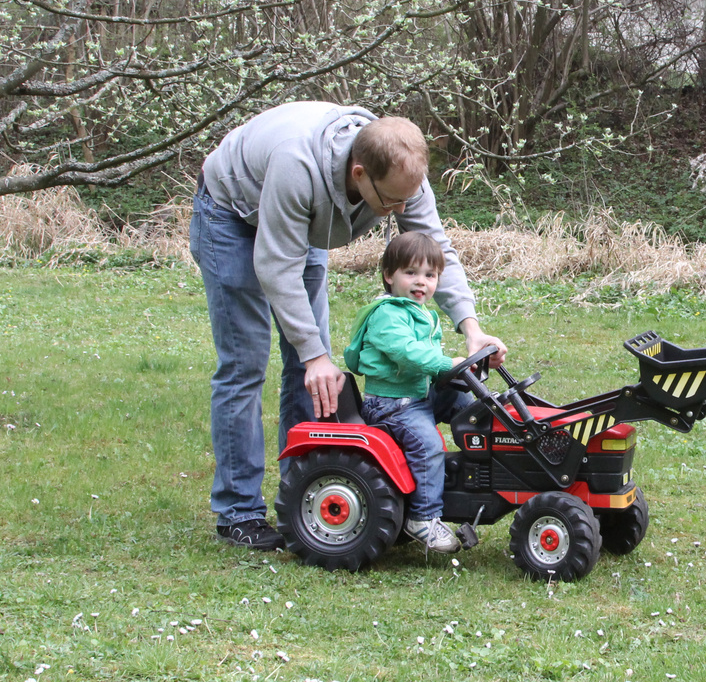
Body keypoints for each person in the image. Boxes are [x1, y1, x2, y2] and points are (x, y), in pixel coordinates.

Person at [190, 104, 504, 550]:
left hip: (305, 222)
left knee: (311, 374)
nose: (399, 210)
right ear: (359, 173)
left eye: (406, 200)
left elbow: (438, 249)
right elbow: (277, 266)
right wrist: (314, 353)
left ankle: (303, 491)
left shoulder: (398, 168)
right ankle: (238, 511)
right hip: (232, 213)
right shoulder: (296, 165)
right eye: (392, 202)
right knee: (247, 365)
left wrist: (469, 326)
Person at [345, 231, 473, 553]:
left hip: (416, 395)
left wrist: (459, 371)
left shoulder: (423, 314)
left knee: (466, 403)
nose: (421, 282)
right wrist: (447, 363)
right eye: (411, 272)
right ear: (389, 275)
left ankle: (479, 466)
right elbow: (409, 353)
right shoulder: (387, 315)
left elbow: (426, 361)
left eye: (430, 275)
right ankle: (424, 518)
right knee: (427, 443)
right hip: (391, 405)